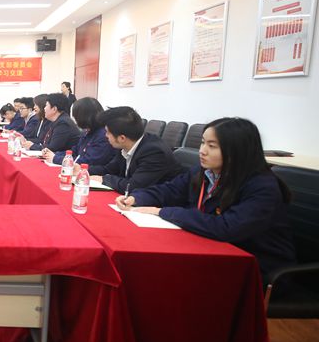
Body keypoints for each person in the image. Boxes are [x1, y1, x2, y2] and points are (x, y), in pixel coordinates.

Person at [116, 118, 295, 283]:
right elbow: (170, 190)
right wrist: (136, 198)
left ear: (236, 150)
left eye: (212, 146)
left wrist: (162, 212)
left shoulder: (261, 186)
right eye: (203, 142)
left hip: (253, 268)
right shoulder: (203, 172)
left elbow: (226, 228)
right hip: (205, 249)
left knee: (156, 275)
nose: (202, 151)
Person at [86, 106, 181, 193]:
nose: (105, 136)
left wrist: (104, 179)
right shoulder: (126, 144)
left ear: (122, 138)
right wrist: (84, 170)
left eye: (107, 132)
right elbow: (109, 169)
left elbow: (133, 186)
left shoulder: (155, 152)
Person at [48, 97, 117, 166]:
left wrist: (56, 158)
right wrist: (54, 154)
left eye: (75, 116)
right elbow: (75, 151)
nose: (75, 120)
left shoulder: (103, 135)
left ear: (83, 117)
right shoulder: (88, 131)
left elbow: (87, 161)